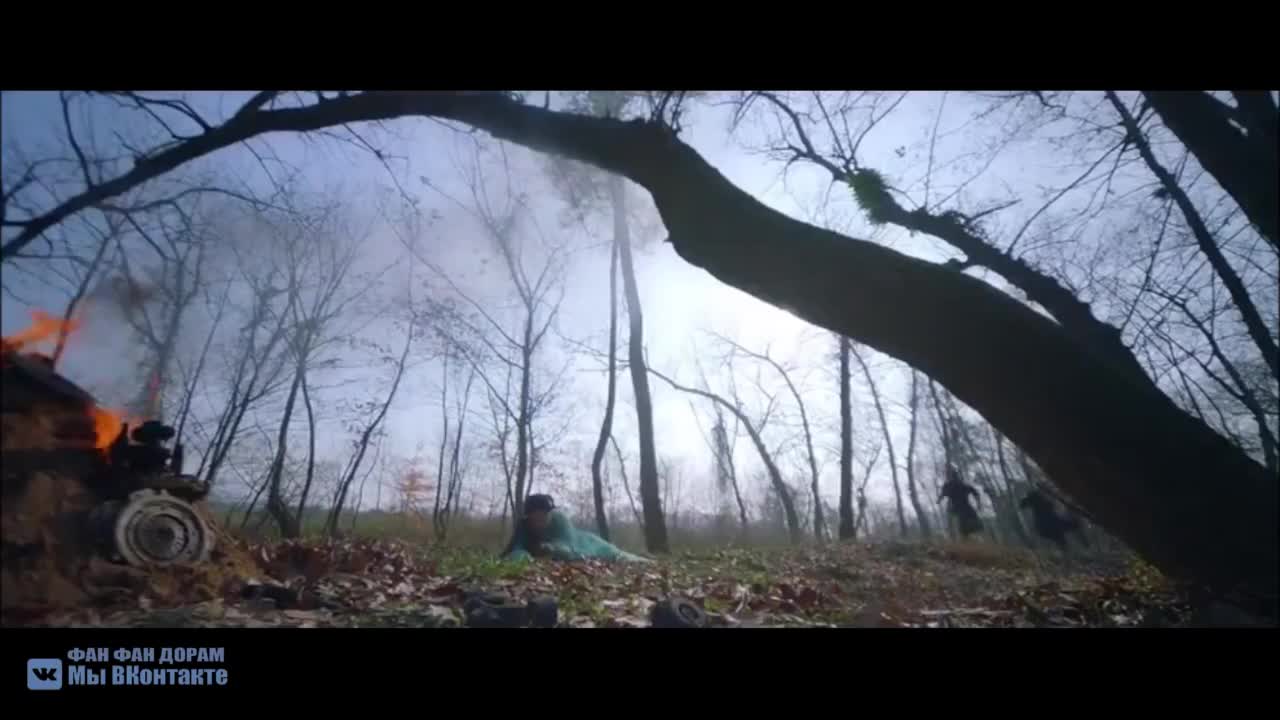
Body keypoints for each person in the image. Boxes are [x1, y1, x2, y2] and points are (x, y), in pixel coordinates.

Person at [500, 494, 651, 563]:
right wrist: (521, 557)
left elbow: (569, 548)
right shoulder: (524, 526)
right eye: (536, 517)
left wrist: (549, 548)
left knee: (619, 556)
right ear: (528, 517)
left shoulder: (559, 519)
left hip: (589, 545)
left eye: (544, 516)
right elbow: (516, 549)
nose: (541, 521)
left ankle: (647, 560)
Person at [1020, 488, 1088, 552]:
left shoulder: (1041, 499)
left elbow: (1023, 504)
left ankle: (1068, 549)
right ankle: (1079, 547)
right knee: (1073, 525)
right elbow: (1024, 504)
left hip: (1044, 528)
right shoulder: (1041, 499)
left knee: (1061, 534)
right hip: (1049, 525)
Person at [938, 467, 984, 538]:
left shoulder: (960, 485)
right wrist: (939, 499)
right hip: (957, 507)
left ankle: (969, 534)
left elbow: (974, 492)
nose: (953, 478)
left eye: (953, 476)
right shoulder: (950, 485)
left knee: (972, 519)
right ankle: (963, 535)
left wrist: (978, 503)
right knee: (963, 520)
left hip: (963, 506)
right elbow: (943, 494)